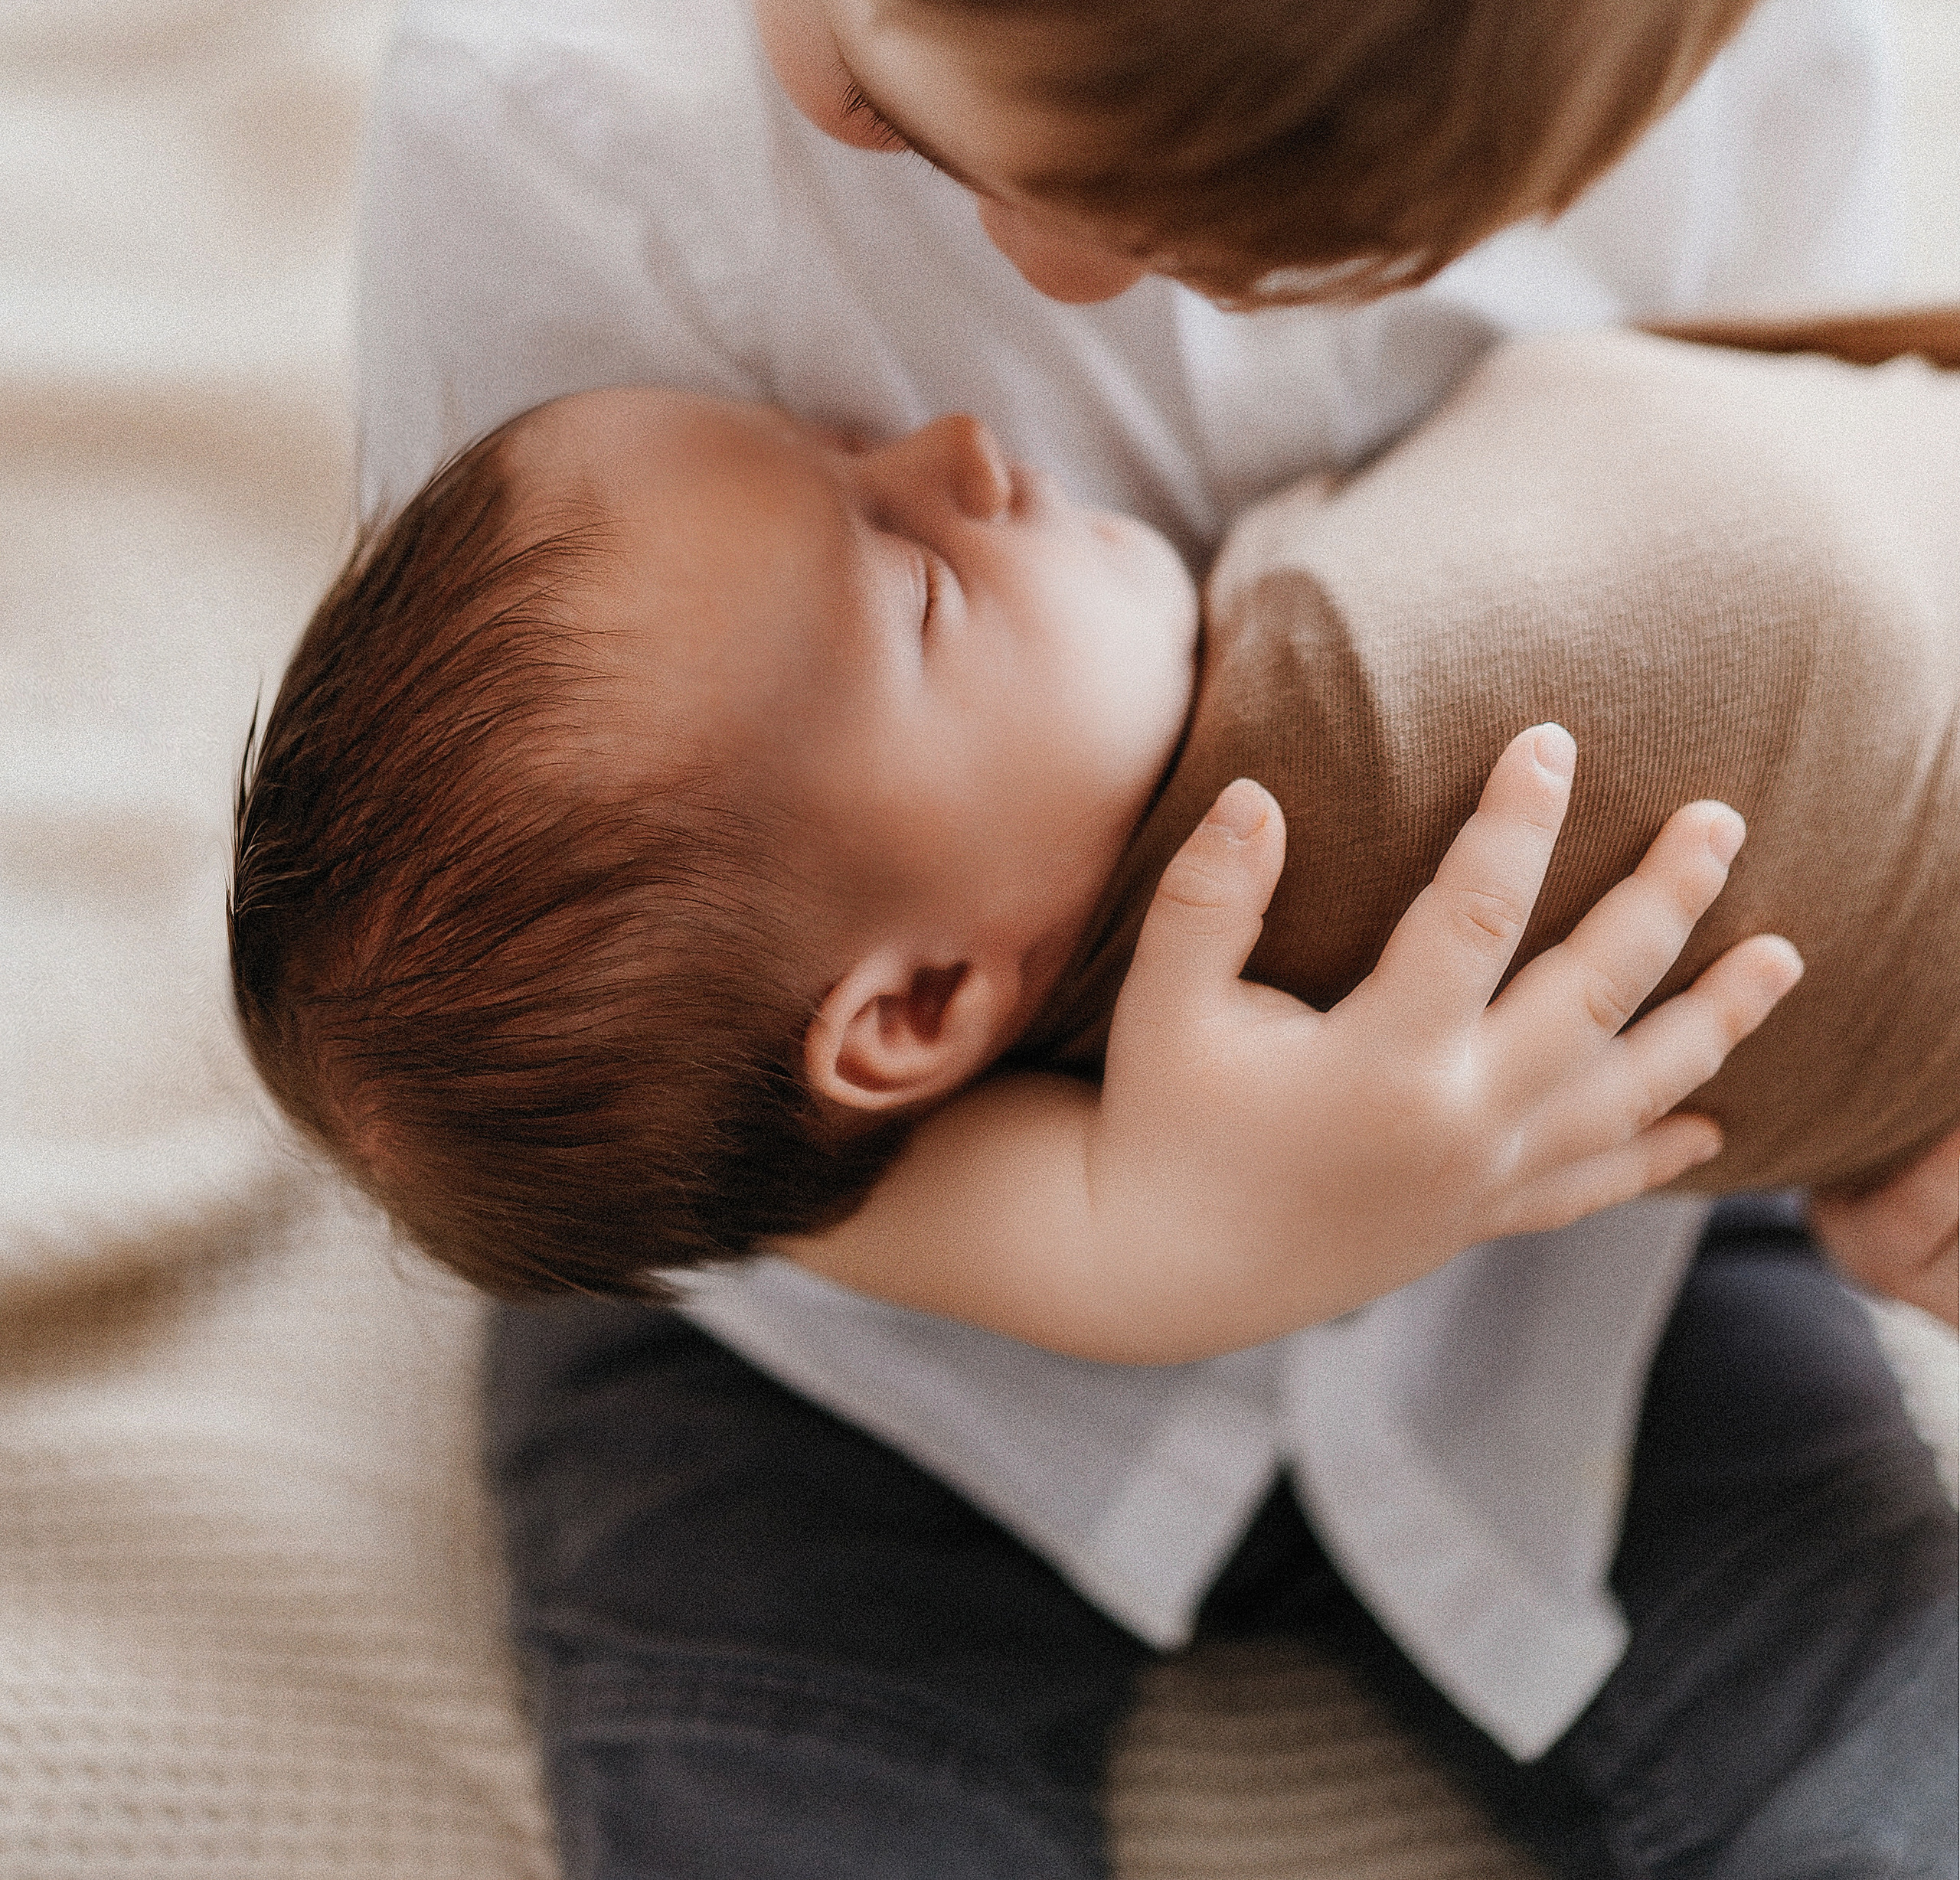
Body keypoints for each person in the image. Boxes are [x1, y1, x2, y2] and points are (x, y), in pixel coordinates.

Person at [353, 0, 1960, 1870]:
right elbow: (536, 986)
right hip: (867, 1293)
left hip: (1579, 1199)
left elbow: (1864, 585)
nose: (1059, 302)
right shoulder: (563, 133)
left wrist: (1915, 1103)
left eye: (1313, 246)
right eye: (907, 111)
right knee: (772, 1771)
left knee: (1881, 1747)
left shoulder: (1721, 24)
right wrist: (1122, 1249)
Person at [231, 318, 1960, 1337]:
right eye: (913, 583)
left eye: (840, 447)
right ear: (915, 1006)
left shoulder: (1233, 666)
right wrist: (1206, 1247)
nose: (961, 450)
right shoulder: (1232, 1050)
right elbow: (1098, 1238)